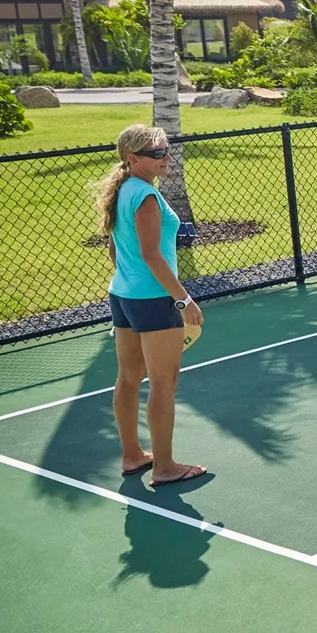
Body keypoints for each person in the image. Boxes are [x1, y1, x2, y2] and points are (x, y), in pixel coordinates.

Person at [96, 124, 205, 487]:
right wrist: (183, 299)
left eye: (166, 151)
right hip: (153, 299)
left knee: (128, 379)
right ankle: (164, 466)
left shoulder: (122, 190)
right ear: (134, 158)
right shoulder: (145, 196)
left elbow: (116, 249)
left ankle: (132, 456)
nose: (167, 158)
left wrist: (129, 280)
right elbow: (151, 255)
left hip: (123, 296)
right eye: (158, 154)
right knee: (163, 382)